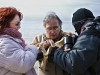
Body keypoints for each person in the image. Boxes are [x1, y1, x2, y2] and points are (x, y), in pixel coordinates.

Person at [53, 8, 100, 75]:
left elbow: (74, 65)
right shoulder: (97, 29)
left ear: (78, 25)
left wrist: (56, 53)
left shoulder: (90, 32)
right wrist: (78, 41)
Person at [0, 7, 39, 75]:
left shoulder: (10, 39)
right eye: (17, 24)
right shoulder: (4, 43)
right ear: (5, 24)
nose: (19, 27)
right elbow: (24, 64)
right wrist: (33, 48)